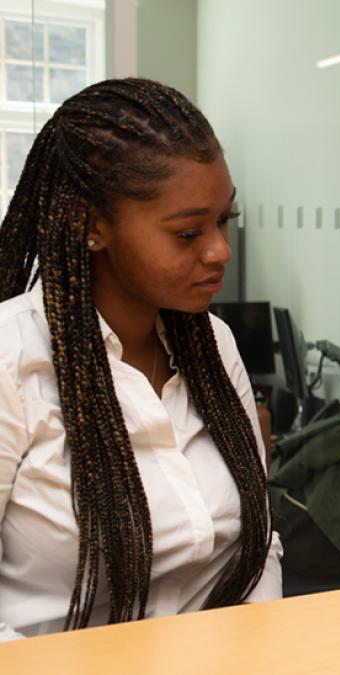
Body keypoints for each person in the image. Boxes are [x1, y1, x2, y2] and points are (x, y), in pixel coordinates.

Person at [0, 78, 282, 640]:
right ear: (91, 226)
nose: (220, 250)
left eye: (225, 220)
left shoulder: (214, 345)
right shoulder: (13, 359)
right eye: (187, 232)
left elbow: (258, 544)